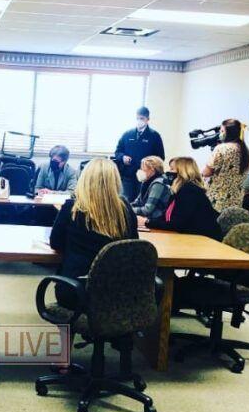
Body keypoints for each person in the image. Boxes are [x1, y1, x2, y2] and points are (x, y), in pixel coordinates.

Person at [49, 158, 138, 308]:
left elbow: (56, 243)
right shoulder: (125, 209)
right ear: (115, 181)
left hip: (76, 291)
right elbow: (133, 245)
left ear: (84, 179)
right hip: (117, 293)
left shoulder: (72, 208)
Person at [146, 156, 222, 241]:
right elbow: (166, 216)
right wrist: (148, 221)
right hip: (191, 237)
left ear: (182, 172)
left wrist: (148, 222)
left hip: (204, 240)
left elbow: (177, 224)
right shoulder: (179, 190)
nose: (168, 172)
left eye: (172, 169)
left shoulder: (190, 191)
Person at [115, 106, 165, 201]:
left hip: (145, 177)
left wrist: (149, 166)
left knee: (141, 201)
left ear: (147, 119)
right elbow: (117, 152)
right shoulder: (127, 134)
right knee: (125, 201)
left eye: (142, 118)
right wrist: (123, 157)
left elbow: (160, 158)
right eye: (137, 118)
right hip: (128, 176)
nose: (139, 121)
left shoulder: (154, 136)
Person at [203, 119, 249, 212]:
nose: (220, 133)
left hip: (217, 199)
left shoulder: (221, 149)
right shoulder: (247, 152)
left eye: (222, 131)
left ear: (229, 133)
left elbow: (206, 172)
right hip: (236, 199)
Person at [132, 156, 172, 226]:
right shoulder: (146, 181)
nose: (140, 171)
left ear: (152, 169)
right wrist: (125, 207)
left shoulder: (158, 184)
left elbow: (148, 210)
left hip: (155, 220)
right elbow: (137, 202)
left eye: (142, 168)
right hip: (147, 218)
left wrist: (128, 210)